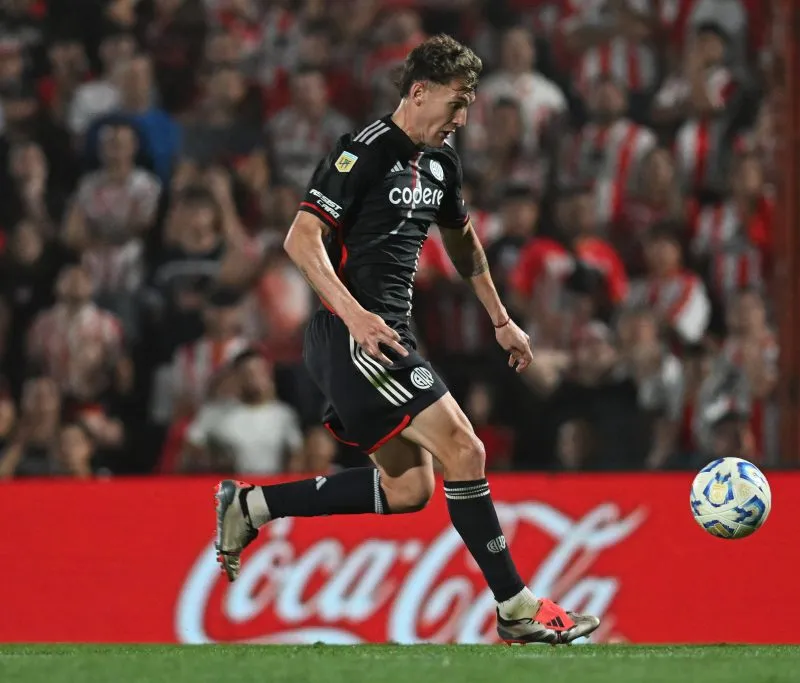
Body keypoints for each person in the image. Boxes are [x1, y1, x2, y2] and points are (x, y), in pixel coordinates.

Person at [211, 35, 600, 646]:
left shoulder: (443, 165)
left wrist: (501, 319)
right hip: (354, 335)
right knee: (465, 449)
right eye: (457, 101)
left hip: (388, 335)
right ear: (418, 92)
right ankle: (516, 607)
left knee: (409, 489)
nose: (463, 118)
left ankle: (252, 508)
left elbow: (463, 242)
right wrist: (355, 315)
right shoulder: (360, 153)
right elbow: (300, 239)